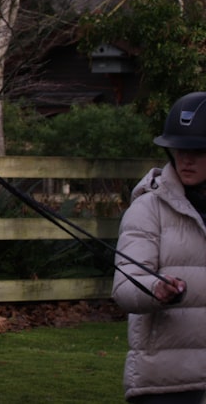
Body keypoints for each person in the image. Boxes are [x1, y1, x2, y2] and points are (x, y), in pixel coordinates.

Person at [113, 92, 206, 403]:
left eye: (198, 150)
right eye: (179, 149)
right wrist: (155, 289)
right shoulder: (146, 209)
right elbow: (125, 283)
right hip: (166, 382)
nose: (186, 159)